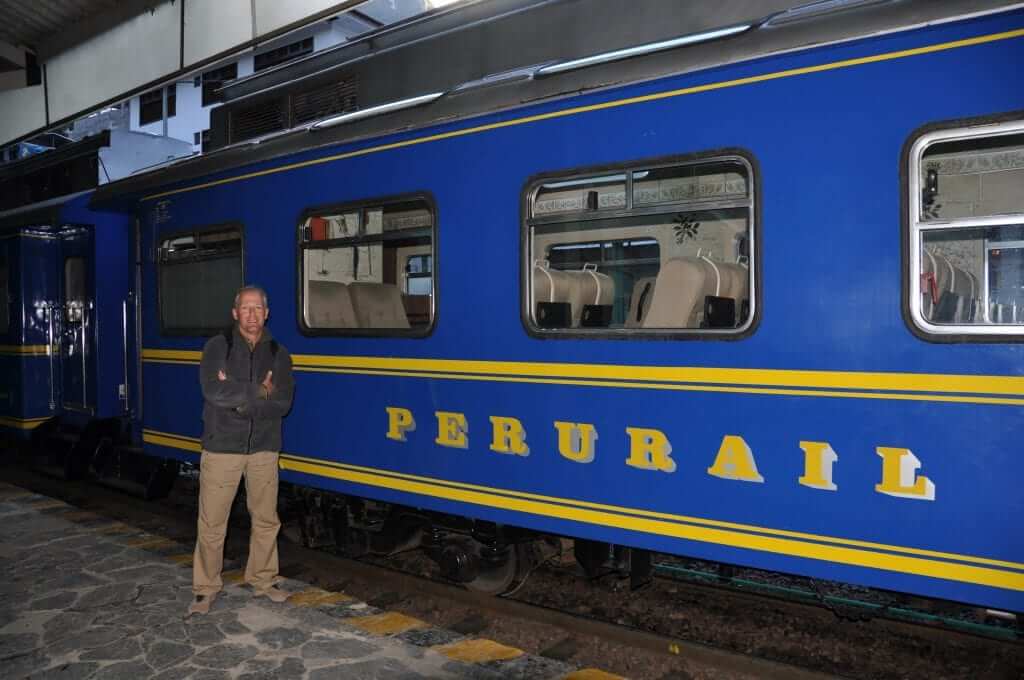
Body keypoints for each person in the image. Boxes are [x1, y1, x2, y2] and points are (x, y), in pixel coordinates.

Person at [189, 285, 295, 615]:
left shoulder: (279, 354)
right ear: (235, 313)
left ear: (267, 313)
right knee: (212, 522)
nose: (251, 314)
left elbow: (282, 403)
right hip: (222, 448)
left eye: (257, 308)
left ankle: (263, 580)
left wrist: (243, 404)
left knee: (266, 519)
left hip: (264, 448)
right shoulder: (217, 346)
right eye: (245, 308)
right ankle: (205, 589)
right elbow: (213, 391)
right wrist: (258, 391)